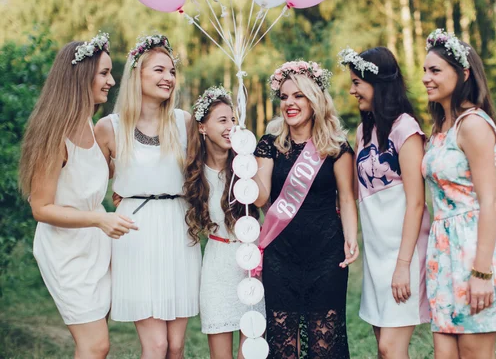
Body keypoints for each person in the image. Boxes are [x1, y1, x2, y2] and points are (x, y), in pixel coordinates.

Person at [20, 33, 136, 358]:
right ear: (79, 75)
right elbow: (41, 207)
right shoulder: (53, 132)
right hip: (64, 250)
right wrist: (99, 218)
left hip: (95, 245)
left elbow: (96, 177)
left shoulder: (91, 124)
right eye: (103, 73)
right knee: (95, 344)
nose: (111, 81)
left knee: (96, 342)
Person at [95, 34, 201, 359]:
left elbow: (202, 177)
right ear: (136, 74)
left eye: (171, 71)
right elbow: (92, 184)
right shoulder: (109, 128)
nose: (168, 78)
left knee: (176, 346)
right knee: (155, 346)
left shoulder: (184, 122)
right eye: (158, 70)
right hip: (135, 233)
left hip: (179, 229)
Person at [421, 29, 496, 358]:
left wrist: (481, 272)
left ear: (462, 74)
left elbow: (488, 202)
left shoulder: (474, 125)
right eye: (424, 71)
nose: (426, 79)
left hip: (474, 251)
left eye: (435, 71)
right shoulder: (439, 129)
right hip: (443, 254)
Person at [253, 60, 359, 358]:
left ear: (315, 100)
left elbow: (347, 198)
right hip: (281, 255)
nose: (289, 103)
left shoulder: (336, 147)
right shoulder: (269, 145)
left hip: (326, 254)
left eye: (298, 96)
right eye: (285, 97)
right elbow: (261, 199)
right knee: (283, 343)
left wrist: (351, 239)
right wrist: (244, 167)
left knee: (323, 343)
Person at [339, 46, 430, 359]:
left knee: (391, 349)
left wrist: (403, 265)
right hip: (376, 256)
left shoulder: (406, 128)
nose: (352, 90)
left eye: (356, 83)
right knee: (383, 349)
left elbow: (416, 202)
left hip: (403, 253)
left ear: (377, 83)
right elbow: (351, 192)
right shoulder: (363, 131)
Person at [183, 86, 265, 358]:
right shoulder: (193, 172)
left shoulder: (246, 166)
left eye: (233, 120)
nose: (231, 127)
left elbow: (263, 199)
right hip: (217, 266)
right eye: (222, 120)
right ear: (203, 127)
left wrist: (247, 163)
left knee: (251, 350)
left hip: (250, 263)